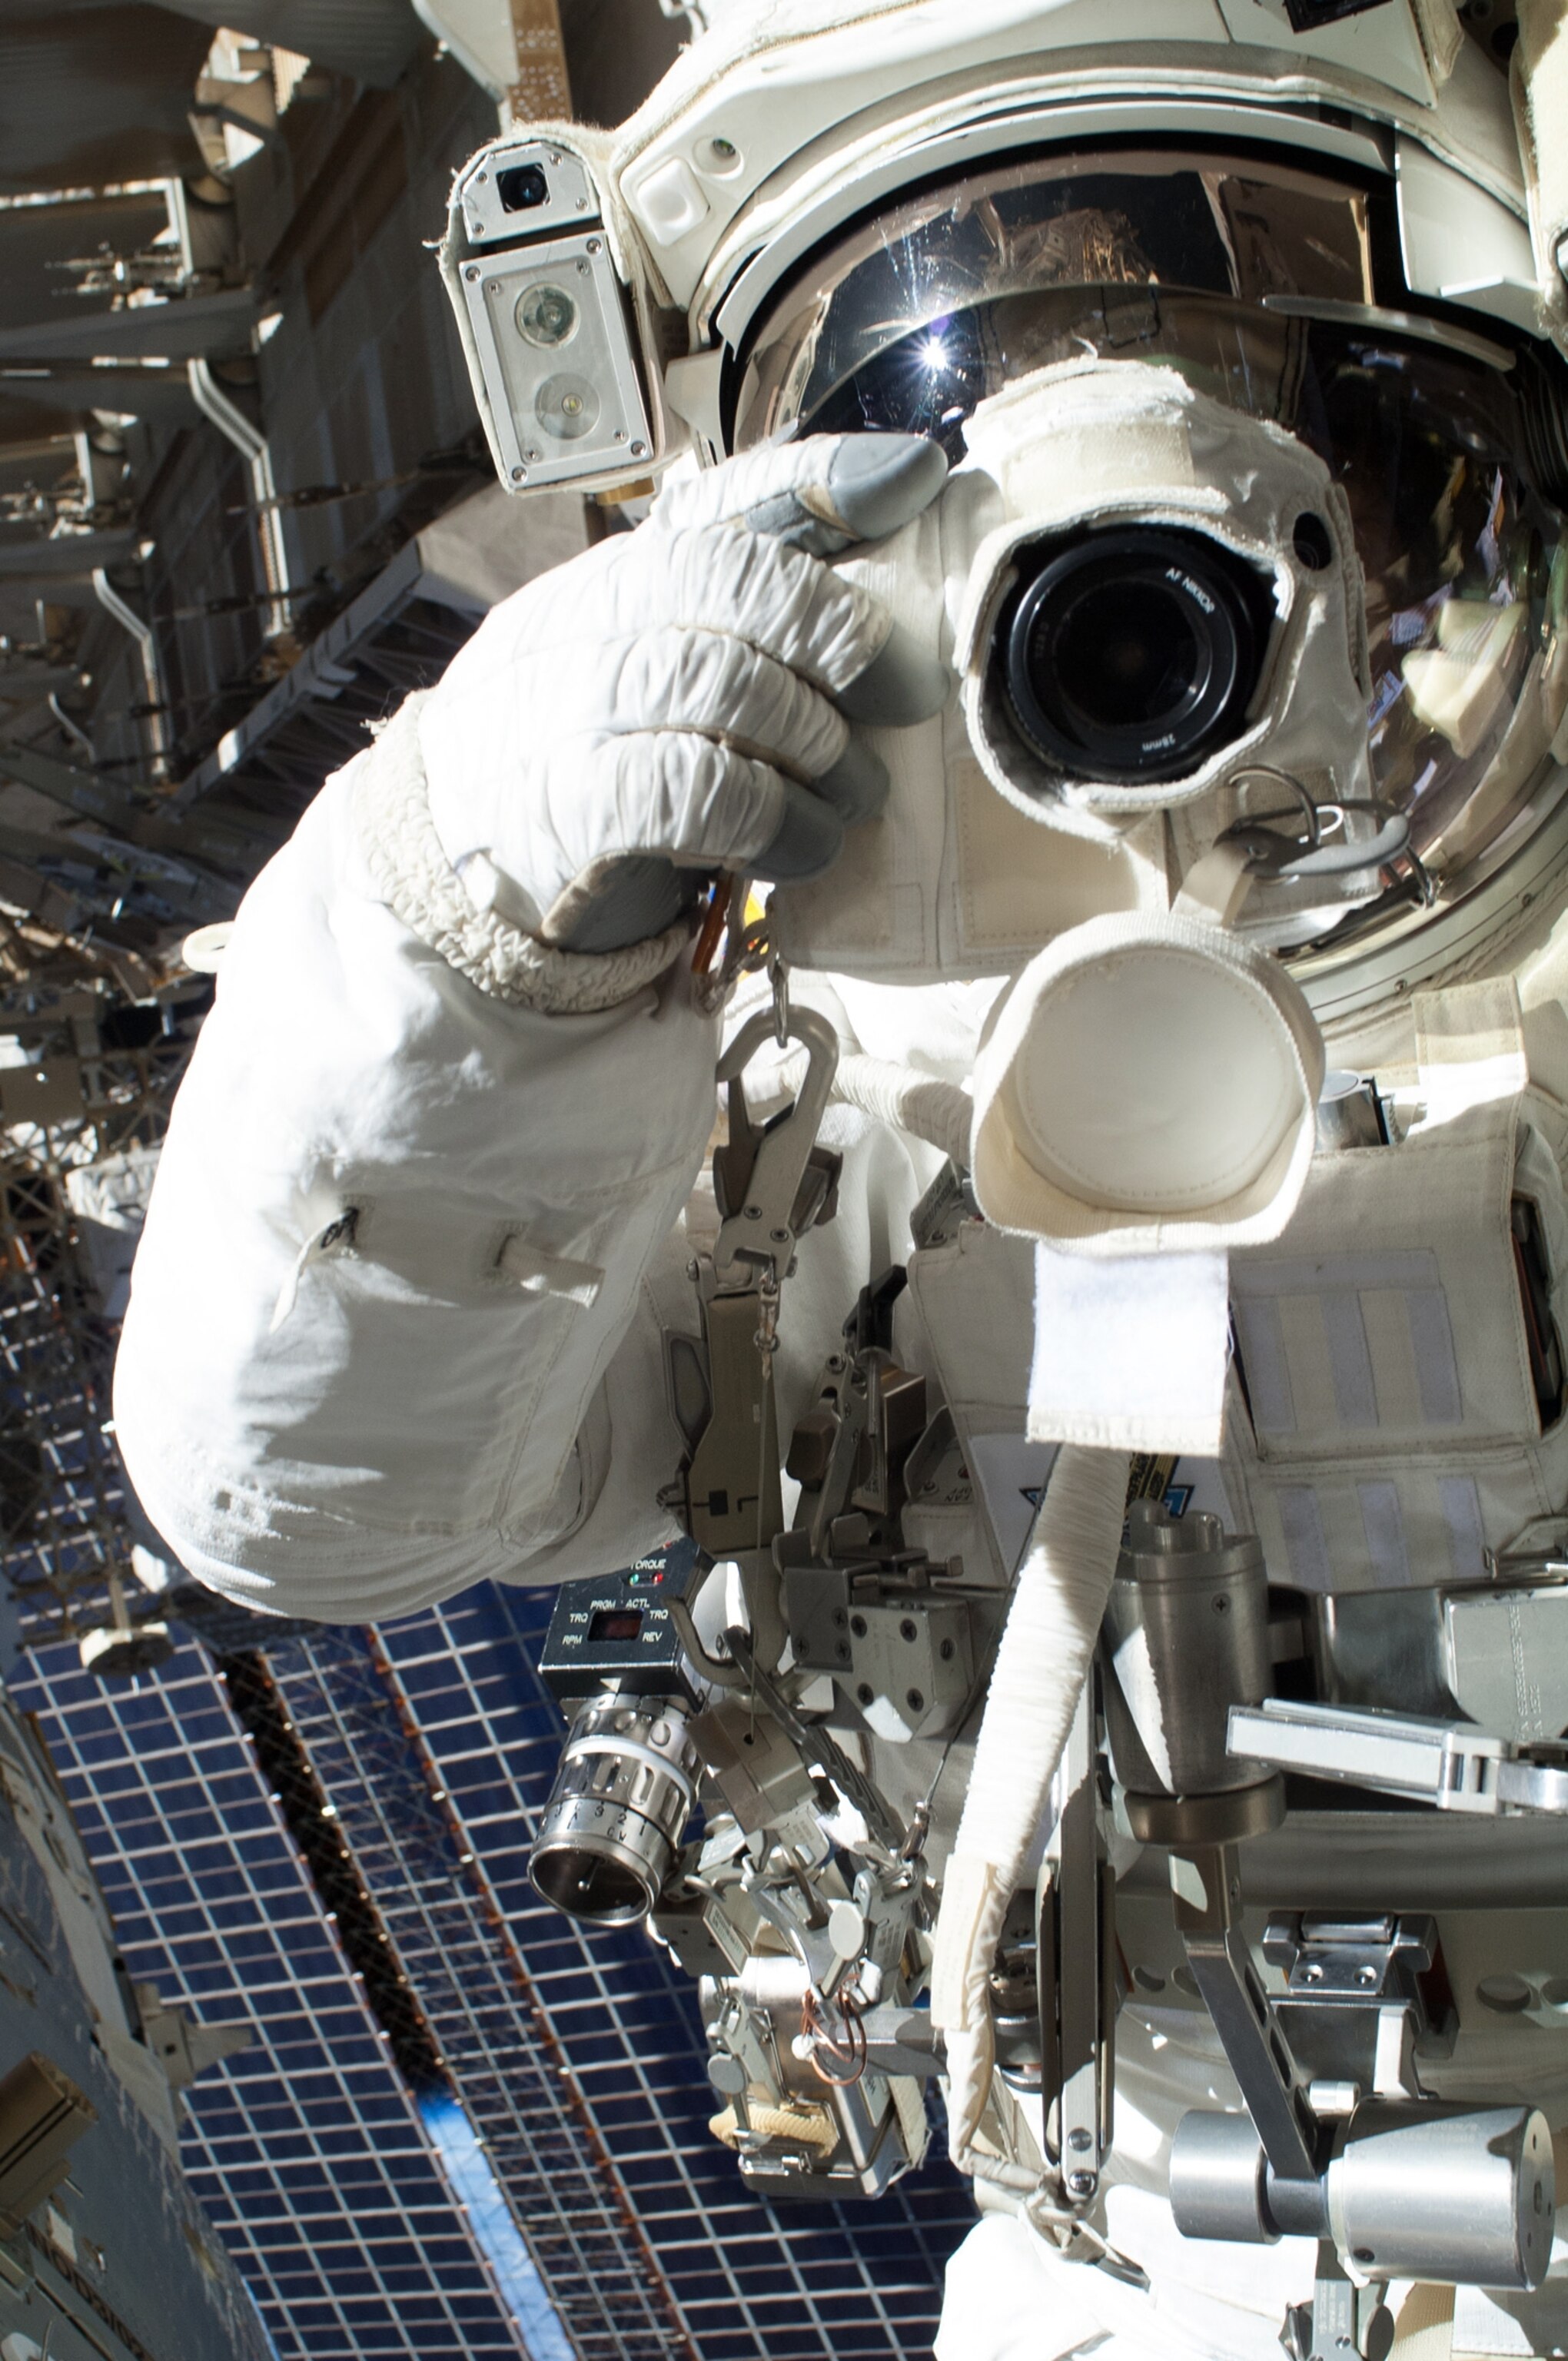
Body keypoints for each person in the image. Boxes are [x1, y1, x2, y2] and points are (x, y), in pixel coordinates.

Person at [115, 0, 1568, 2348]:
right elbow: (293, 1501)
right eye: (941, 454)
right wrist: (469, 938)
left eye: (1313, 443)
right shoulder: (806, 1153)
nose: (1133, 626)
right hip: (1189, 2266)